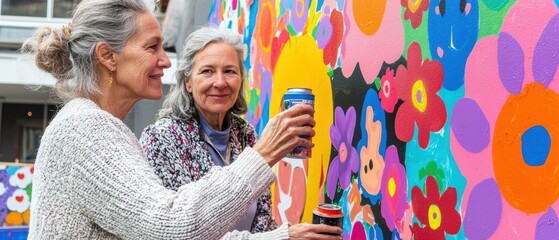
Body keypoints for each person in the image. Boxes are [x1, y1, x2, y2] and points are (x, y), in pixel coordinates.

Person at [22, 0, 340, 239]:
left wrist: (283, 234)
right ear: (108, 56)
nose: (165, 61)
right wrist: (263, 155)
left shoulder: (97, 126)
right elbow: (174, 227)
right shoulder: (85, 129)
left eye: (230, 71)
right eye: (152, 47)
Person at [139, 26, 336, 239]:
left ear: (241, 79)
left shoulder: (245, 134)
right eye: (207, 71)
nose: (220, 82)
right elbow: (182, 233)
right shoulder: (161, 139)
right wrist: (284, 237)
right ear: (188, 82)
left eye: (230, 71)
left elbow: (261, 225)